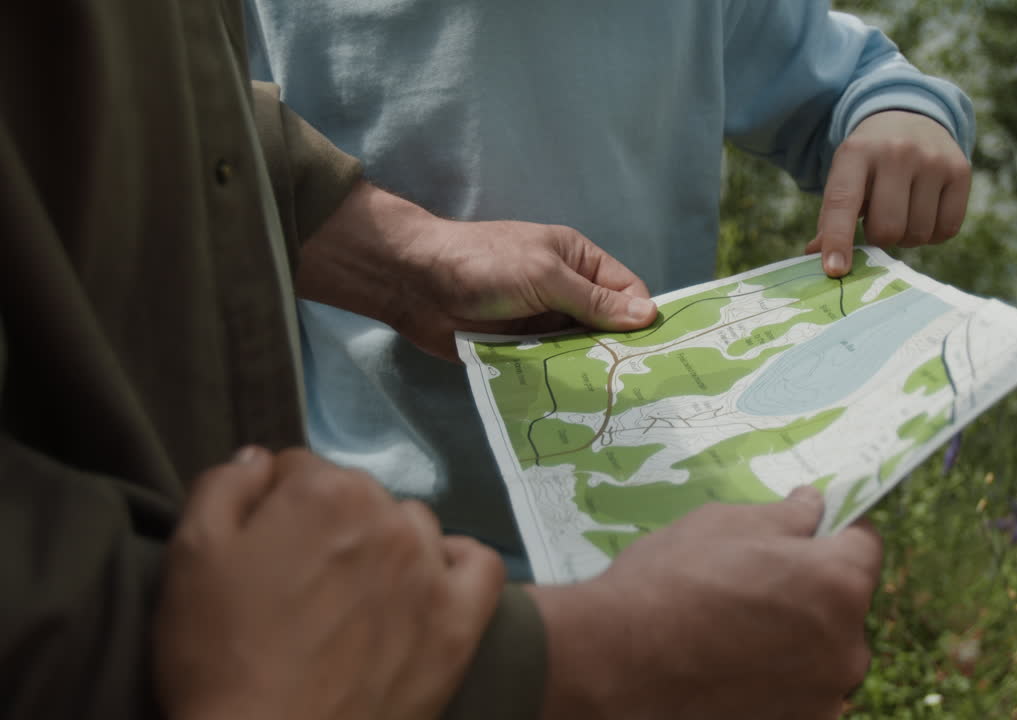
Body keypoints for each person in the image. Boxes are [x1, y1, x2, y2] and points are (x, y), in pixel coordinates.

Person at [1, 2, 882, 719]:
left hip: (625, 531)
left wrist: (400, 253)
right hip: (371, 561)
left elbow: (161, 96)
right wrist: (561, 665)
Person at [244, 0, 977, 569]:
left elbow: (840, 77)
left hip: (652, 512)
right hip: (367, 531)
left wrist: (897, 111)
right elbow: (190, 154)